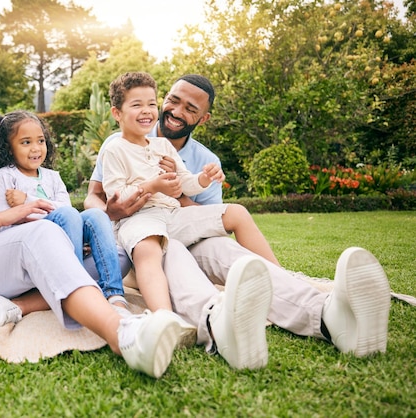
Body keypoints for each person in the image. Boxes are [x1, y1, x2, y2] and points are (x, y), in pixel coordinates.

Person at [0, 69, 195, 379]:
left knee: (114, 254)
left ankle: (16, 306)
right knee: (37, 234)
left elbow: (38, 178)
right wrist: (2, 218)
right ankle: (122, 333)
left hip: (10, 259)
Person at [84, 72, 392, 366]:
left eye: (189, 109)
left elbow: (201, 212)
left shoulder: (199, 157)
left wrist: (192, 183)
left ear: (202, 119)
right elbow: (99, 196)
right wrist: (112, 215)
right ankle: (215, 322)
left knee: (228, 252)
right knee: (170, 250)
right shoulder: (118, 144)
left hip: (182, 227)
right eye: (172, 100)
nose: (173, 111)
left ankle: (327, 316)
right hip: (141, 240)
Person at [98, 71, 280, 312]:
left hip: (173, 217)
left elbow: (186, 182)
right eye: (137, 105)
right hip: (139, 220)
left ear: (203, 118)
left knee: (237, 212)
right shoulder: (115, 148)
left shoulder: (164, 146)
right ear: (117, 113)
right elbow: (116, 194)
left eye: (151, 104)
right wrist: (154, 185)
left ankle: (280, 279)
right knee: (148, 250)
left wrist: (204, 178)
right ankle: (163, 315)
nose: (147, 110)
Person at [0, 110, 129, 312]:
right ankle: (76, 291)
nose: (36, 148)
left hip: (64, 229)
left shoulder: (52, 176)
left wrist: (28, 201)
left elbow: (64, 208)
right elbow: (4, 223)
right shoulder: (6, 176)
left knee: (96, 215)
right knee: (69, 216)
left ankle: (114, 294)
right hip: (36, 239)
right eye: (26, 142)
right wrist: (44, 216)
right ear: (8, 148)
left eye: (40, 141)